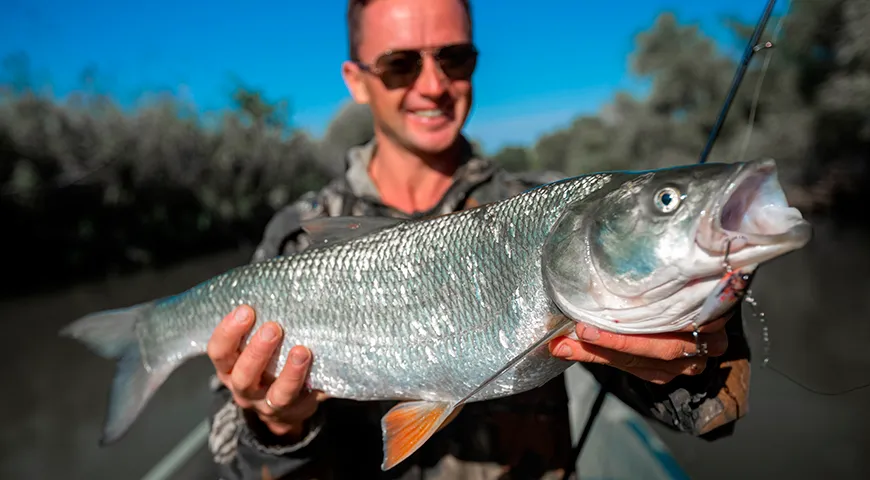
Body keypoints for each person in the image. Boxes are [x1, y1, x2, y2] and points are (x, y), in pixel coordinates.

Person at [205, 0, 752, 478]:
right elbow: (230, 462)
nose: (433, 85)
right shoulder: (296, 235)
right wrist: (274, 425)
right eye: (400, 64)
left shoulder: (553, 213)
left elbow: (709, 420)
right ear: (355, 79)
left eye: (455, 57)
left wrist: (698, 346)